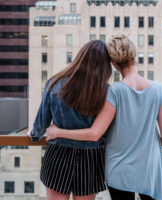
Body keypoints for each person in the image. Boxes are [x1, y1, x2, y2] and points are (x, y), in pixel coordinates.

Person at [46, 33, 162, 200]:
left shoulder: (115, 91)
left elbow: (94, 134)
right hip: (149, 170)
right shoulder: (157, 89)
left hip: (119, 170)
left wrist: (57, 132)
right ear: (134, 55)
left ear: (113, 63)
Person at [27, 40, 112, 200]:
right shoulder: (106, 92)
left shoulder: (55, 83)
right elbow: (106, 131)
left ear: (80, 57)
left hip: (59, 153)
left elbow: (42, 123)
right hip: (91, 158)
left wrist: (34, 136)